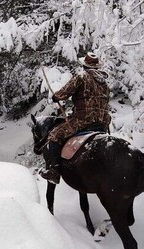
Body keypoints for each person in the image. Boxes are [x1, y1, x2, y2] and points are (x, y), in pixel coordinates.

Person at [40, 52, 111, 184]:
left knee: (54, 135)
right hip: (102, 123)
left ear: (84, 66)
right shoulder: (105, 84)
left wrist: (56, 97)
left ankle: (54, 171)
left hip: (83, 121)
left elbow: (64, 93)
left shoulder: (81, 77)